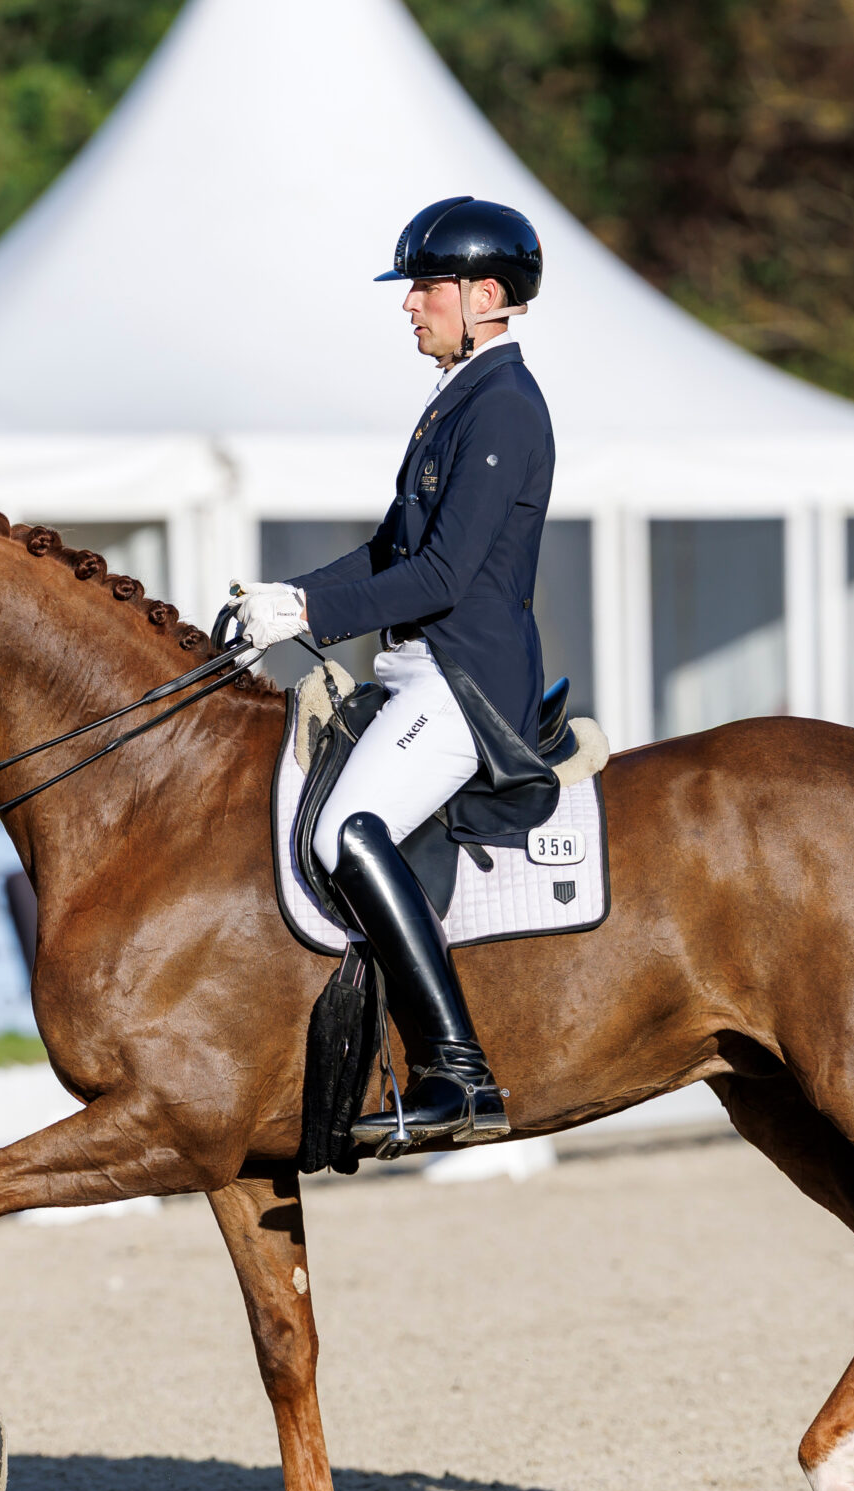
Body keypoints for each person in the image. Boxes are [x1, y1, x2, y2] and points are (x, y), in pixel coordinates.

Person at [227, 195, 553, 1146]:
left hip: (465, 680)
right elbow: (386, 552)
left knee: (345, 828)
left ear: (486, 295)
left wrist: (310, 618)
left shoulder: (504, 406)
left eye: (427, 287)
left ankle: (460, 1072)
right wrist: (287, 595)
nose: (410, 304)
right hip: (418, 669)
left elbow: (443, 576)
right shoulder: (455, 400)